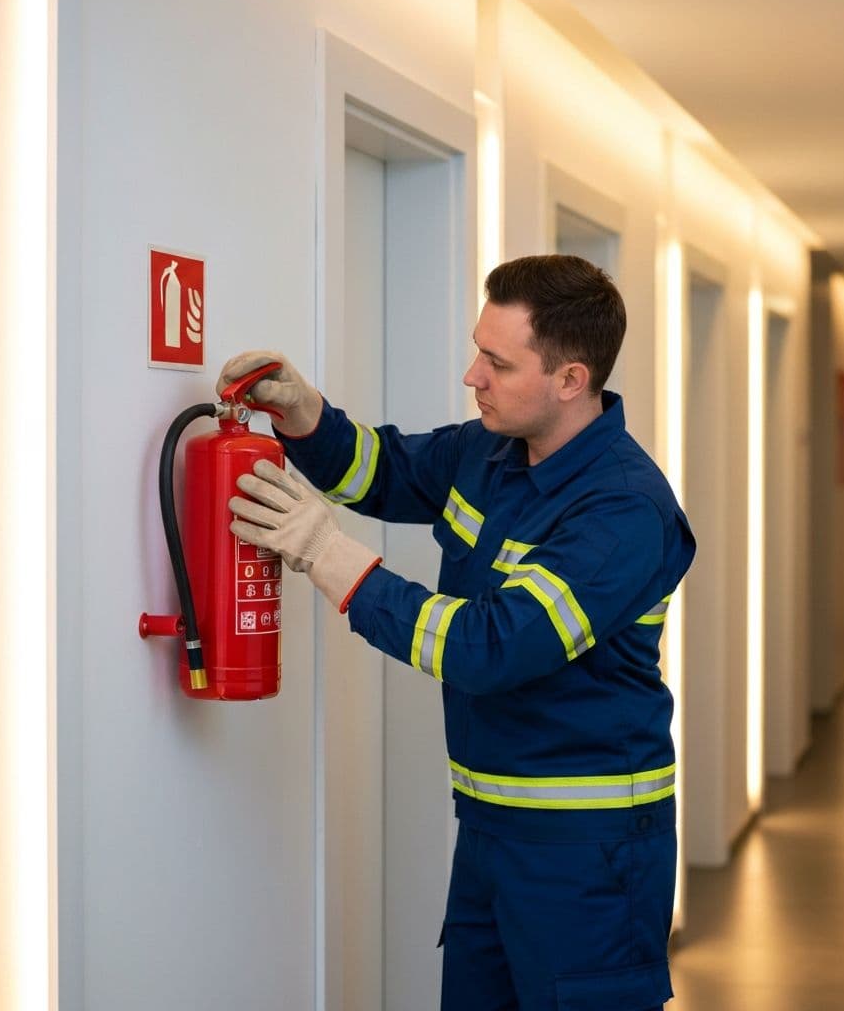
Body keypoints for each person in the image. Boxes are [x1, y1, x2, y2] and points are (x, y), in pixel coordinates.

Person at [218, 255, 695, 1011]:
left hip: (587, 852)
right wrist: (302, 412)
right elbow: (384, 470)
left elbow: (489, 648)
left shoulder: (624, 513)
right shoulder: (491, 451)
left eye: (497, 363)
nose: (472, 375)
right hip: (490, 829)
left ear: (571, 380)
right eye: (479, 349)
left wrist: (326, 554)